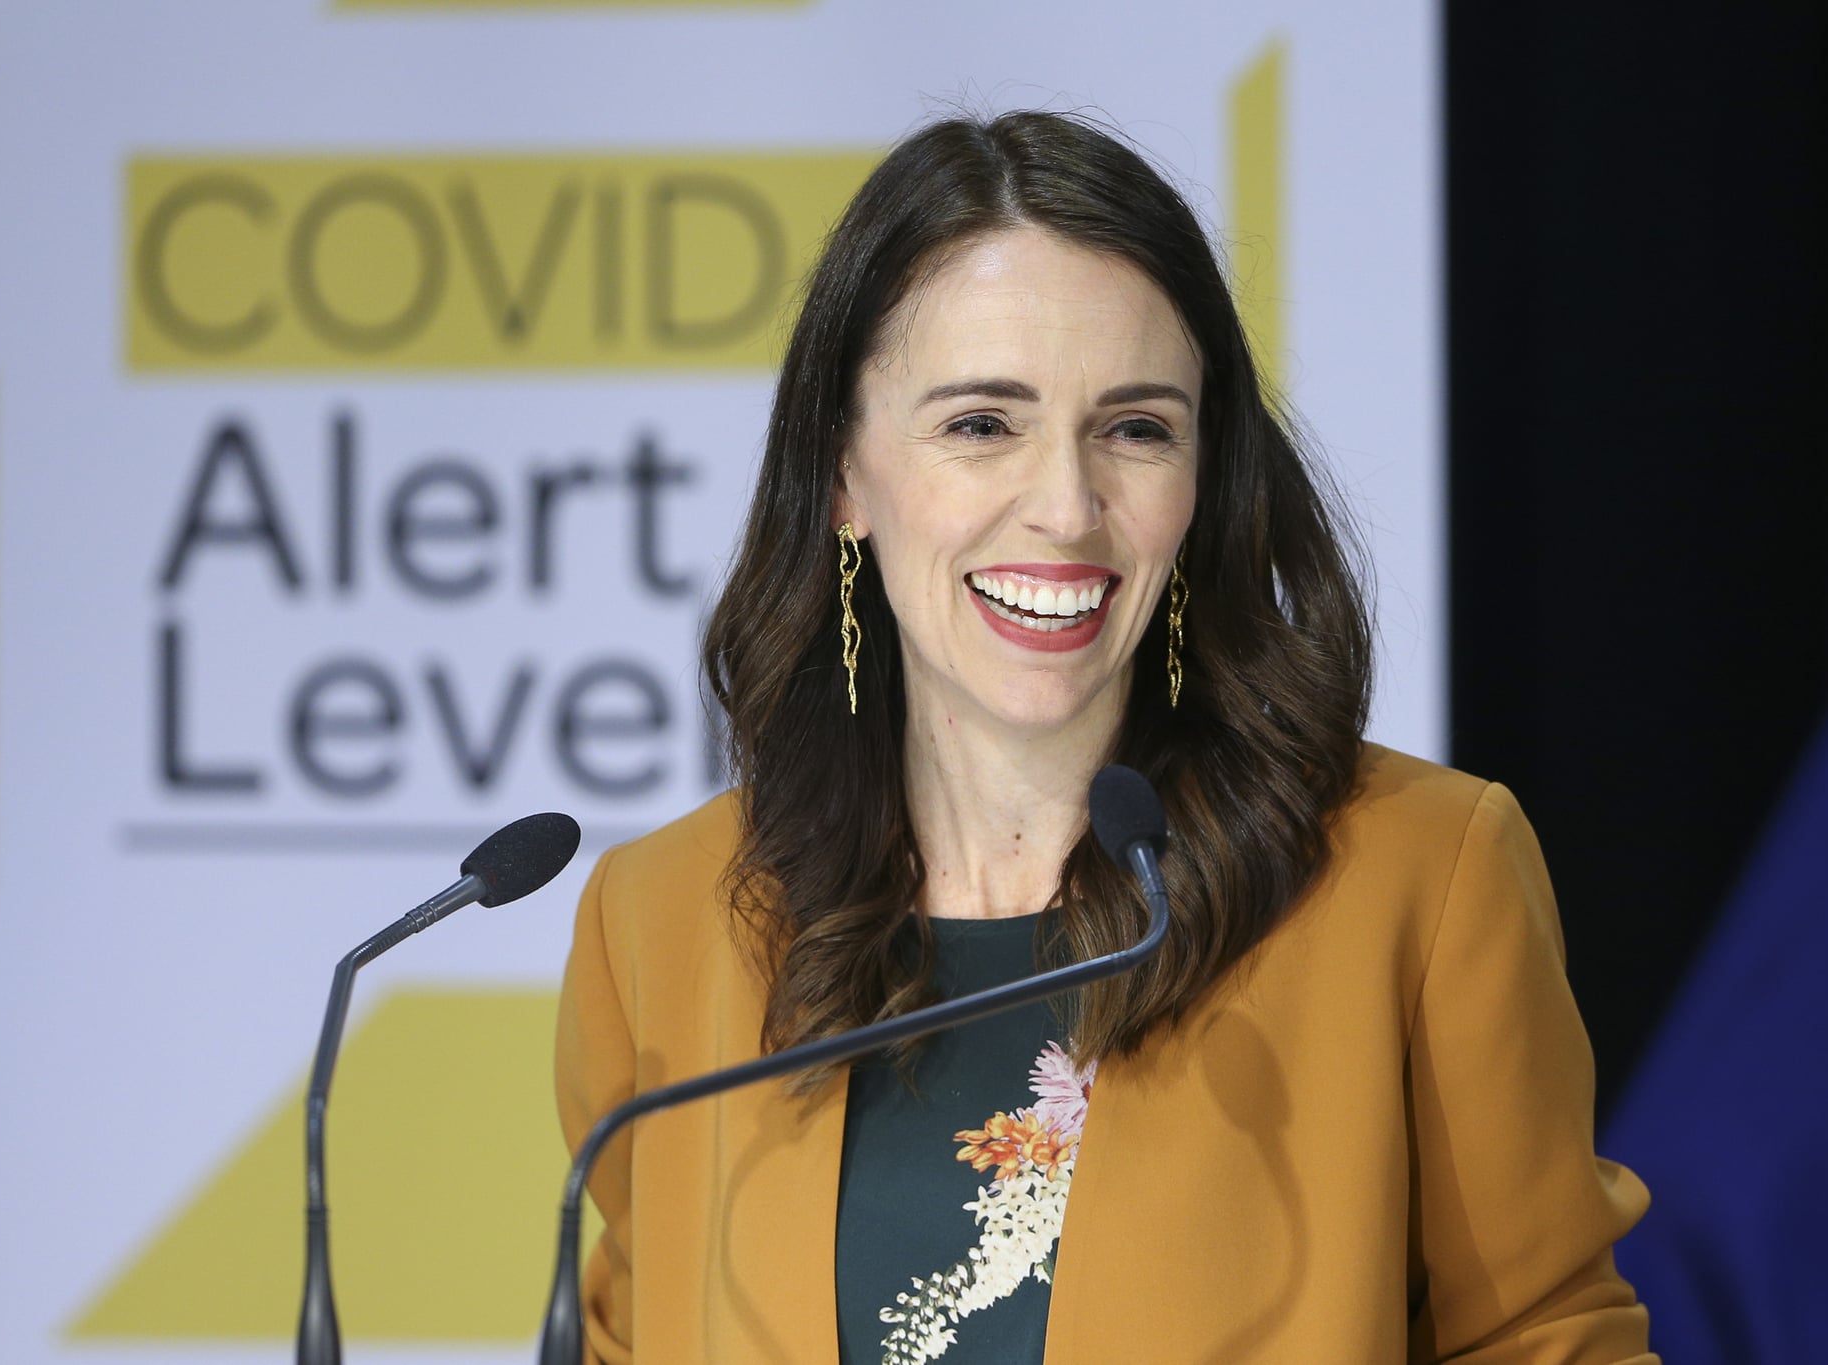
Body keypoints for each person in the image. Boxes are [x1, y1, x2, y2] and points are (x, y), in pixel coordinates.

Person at [555, 110, 1655, 1364]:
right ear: (843, 476)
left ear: (1201, 479)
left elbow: (1548, 1342)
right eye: (982, 424)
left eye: (1135, 428)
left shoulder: (1416, 878)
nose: (1068, 507)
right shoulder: (660, 919)